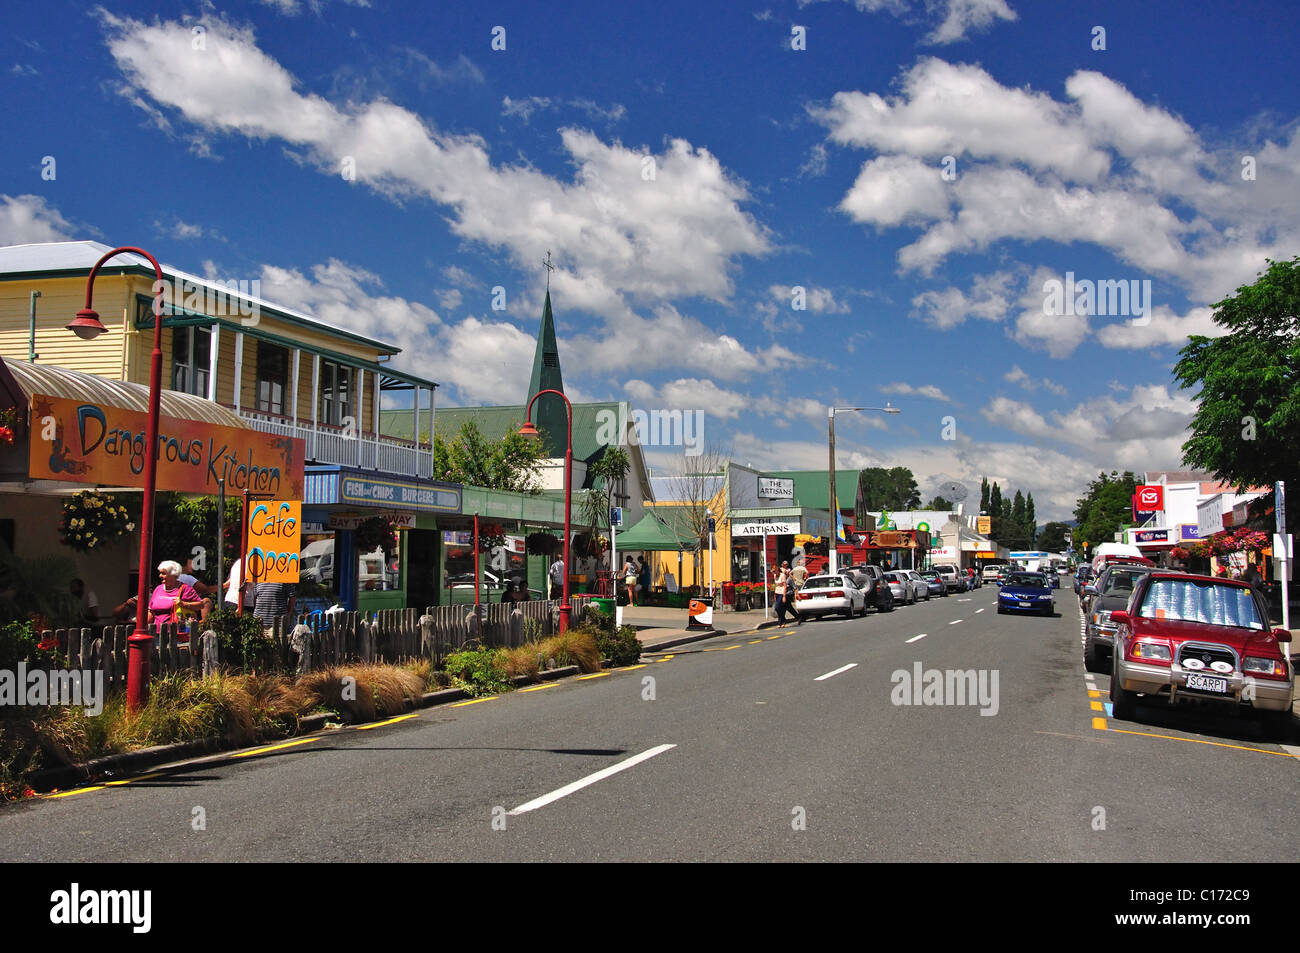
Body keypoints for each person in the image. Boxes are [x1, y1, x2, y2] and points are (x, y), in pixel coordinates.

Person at [148, 560, 204, 633]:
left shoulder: (185, 589)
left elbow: (200, 605)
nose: (160, 576)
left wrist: (184, 604)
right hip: (157, 633)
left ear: (173, 574)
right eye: (160, 573)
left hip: (177, 635)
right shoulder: (158, 589)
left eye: (163, 573)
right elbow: (151, 611)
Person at [789, 558, 809, 625]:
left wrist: (793, 578)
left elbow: (790, 574)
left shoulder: (795, 569)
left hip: (795, 582)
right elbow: (807, 573)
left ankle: (796, 602)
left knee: (796, 592)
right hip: (801, 582)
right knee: (801, 593)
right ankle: (800, 601)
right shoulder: (803, 568)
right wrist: (805, 577)